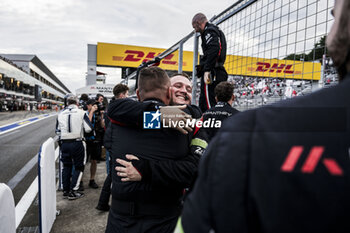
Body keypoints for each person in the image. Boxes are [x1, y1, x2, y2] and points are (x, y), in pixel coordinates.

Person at [179, 2, 350, 232]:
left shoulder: (246, 132)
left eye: (334, 13)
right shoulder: (240, 124)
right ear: (233, 95)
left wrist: (205, 70)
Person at [105, 67, 194, 233]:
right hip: (165, 221)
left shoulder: (121, 120)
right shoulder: (185, 122)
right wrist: (157, 115)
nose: (183, 92)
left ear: (138, 94)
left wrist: (153, 117)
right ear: (169, 92)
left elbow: (113, 117)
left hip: (121, 221)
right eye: (178, 87)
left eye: (188, 88)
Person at [96, 84, 129, 212]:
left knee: (111, 175)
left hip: (111, 144)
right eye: (126, 94)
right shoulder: (119, 108)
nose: (127, 97)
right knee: (113, 176)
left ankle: (103, 202)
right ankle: (105, 203)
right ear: (122, 95)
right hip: (116, 145)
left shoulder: (111, 107)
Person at [56, 94, 93, 200]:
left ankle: (66, 190)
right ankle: (74, 191)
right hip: (77, 142)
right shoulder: (81, 113)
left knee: (66, 166)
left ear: (67, 103)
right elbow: (88, 129)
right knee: (79, 166)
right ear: (77, 103)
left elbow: (57, 131)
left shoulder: (61, 114)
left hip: (64, 143)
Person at [192, 13, 228, 113]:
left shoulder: (209, 30)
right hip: (217, 70)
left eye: (194, 27)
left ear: (198, 23)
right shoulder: (214, 30)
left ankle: (210, 124)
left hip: (213, 71)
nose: (195, 30)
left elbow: (214, 49)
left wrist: (207, 69)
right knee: (206, 99)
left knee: (209, 100)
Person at [84, 99, 105, 189]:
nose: (95, 107)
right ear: (88, 106)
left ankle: (92, 180)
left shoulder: (97, 114)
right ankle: (80, 181)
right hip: (86, 140)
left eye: (96, 106)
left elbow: (103, 126)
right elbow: (87, 125)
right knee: (83, 162)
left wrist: (101, 115)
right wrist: (91, 112)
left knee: (94, 161)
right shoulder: (84, 114)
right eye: (93, 105)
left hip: (96, 140)